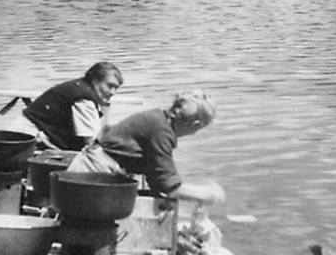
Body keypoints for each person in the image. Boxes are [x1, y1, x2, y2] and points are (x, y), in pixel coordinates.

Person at [68, 90, 225, 204]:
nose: (194, 134)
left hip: (87, 175)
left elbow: (159, 177)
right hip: (89, 180)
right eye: (200, 129)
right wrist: (206, 194)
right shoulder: (161, 131)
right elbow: (168, 188)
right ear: (194, 124)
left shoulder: (158, 119)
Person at [20, 61, 124, 151]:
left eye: (116, 88)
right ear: (95, 80)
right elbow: (91, 143)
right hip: (26, 140)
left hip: (30, 134)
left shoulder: (82, 87)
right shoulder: (84, 99)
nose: (113, 92)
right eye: (110, 86)